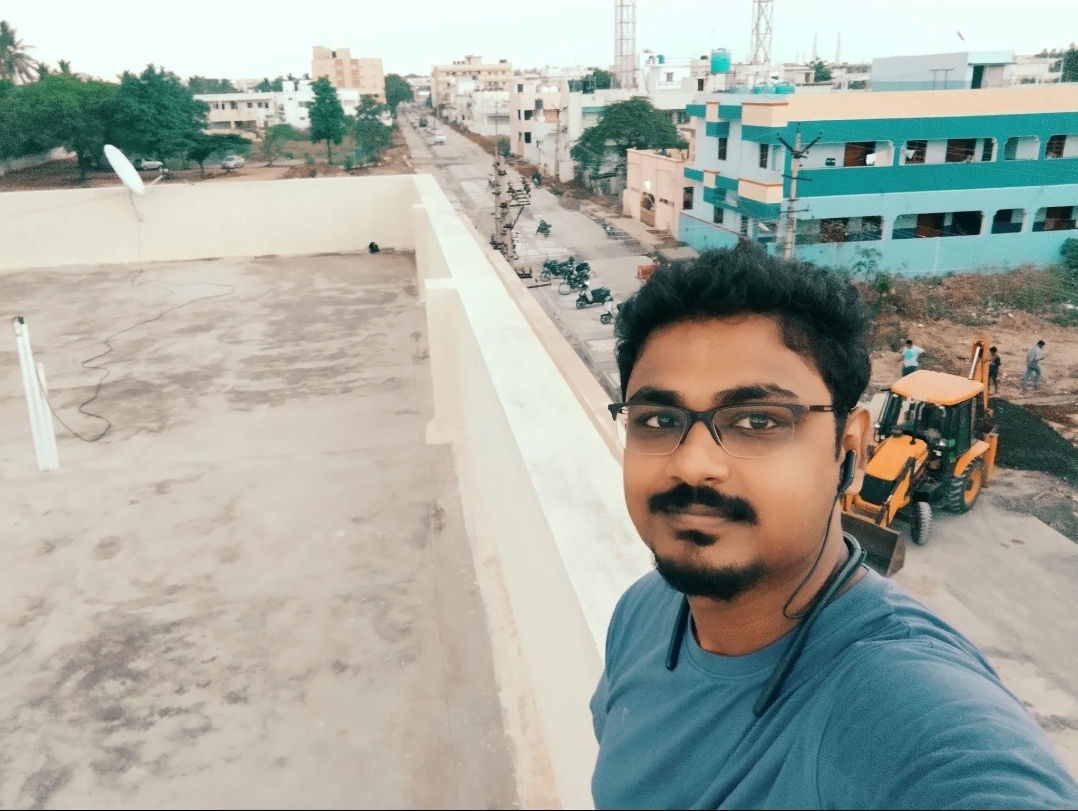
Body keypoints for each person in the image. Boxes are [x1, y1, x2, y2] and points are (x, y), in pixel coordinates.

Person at [592, 245, 1078, 809]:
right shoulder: (644, 611)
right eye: (658, 419)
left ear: (850, 449)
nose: (692, 464)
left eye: (758, 420)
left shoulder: (901, 708)